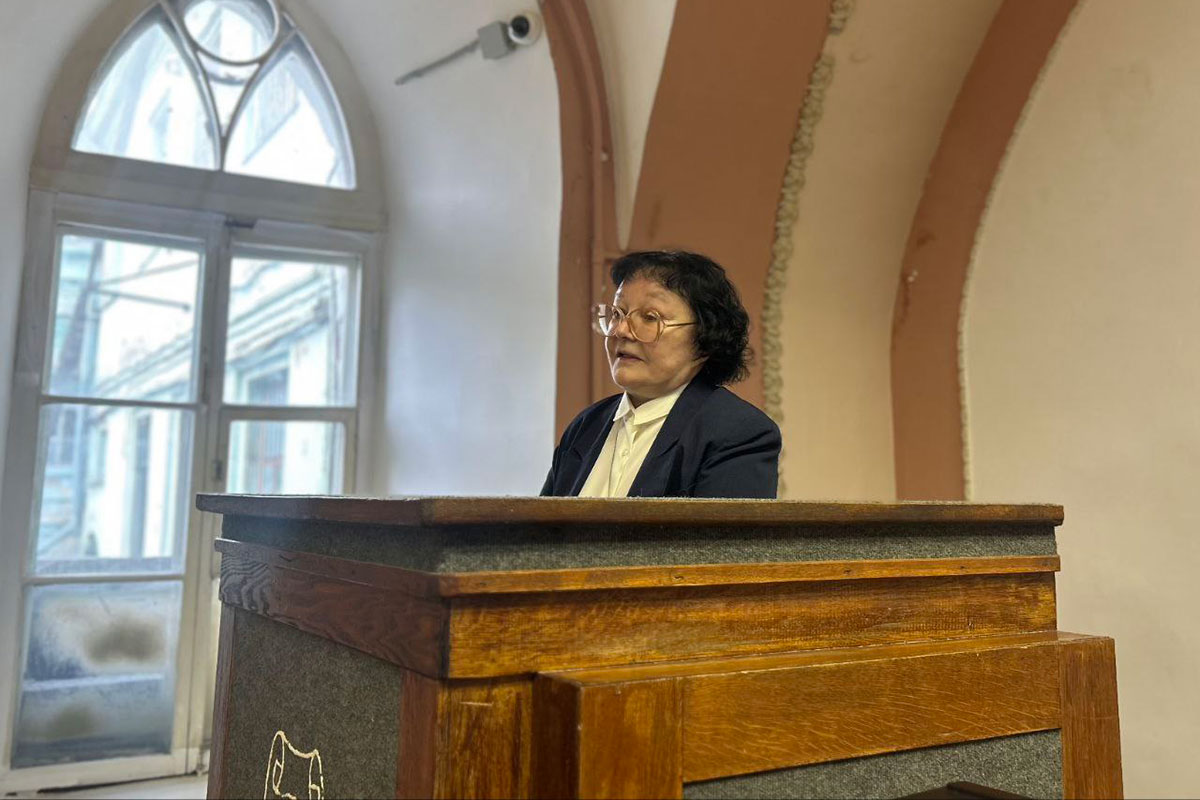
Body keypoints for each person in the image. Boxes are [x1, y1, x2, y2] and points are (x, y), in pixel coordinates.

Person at [541, 250, 781, 498]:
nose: (621, 330)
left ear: (705, 339)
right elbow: (541, 523)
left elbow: (718, 527)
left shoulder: (738, 432)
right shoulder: (586, 426)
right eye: (617, 314)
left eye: (650, 318)